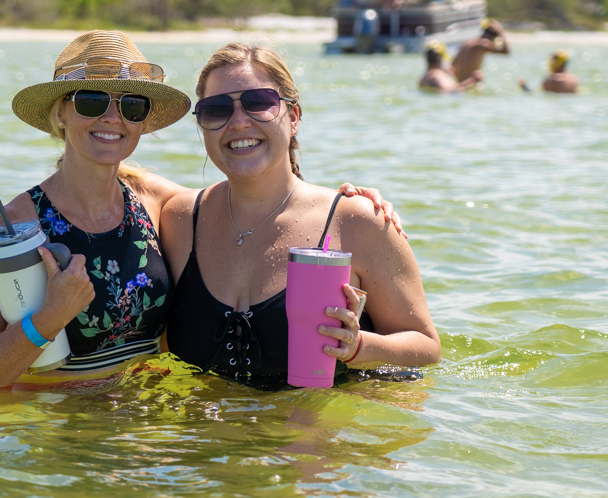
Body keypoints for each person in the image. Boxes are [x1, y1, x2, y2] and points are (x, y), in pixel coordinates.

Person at [0, 31, 404, 392]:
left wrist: (347, 202)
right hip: (61, 427)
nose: (112, 117)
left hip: (152, 426)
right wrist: (47, 318)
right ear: (61, 113)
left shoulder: (157, 204)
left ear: (143, 119)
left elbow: (254, 194)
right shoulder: (15, 227)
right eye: (91, 101)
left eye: (131, 103)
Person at [160, 43, 442, 391]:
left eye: (258, 102)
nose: (237, 122)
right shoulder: (180, 220)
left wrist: (358, 348)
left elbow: (426, 347)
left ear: (293, 118)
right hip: (203, 440)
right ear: (202, 126)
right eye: (216, 109)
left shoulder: (355, 221)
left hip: (311, 438)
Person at [452, 18, 510, 83]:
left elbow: (452, 66)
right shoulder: (483, 44)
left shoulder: (466, 43)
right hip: (471, 84)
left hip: (460, 83)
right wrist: (501, 33)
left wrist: (463, 81)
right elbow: (506, 51)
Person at [417, 43, 482, 93]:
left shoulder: (426, 76)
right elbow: (450, 92)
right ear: (440, 58)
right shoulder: (436, 75)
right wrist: (472, 80)